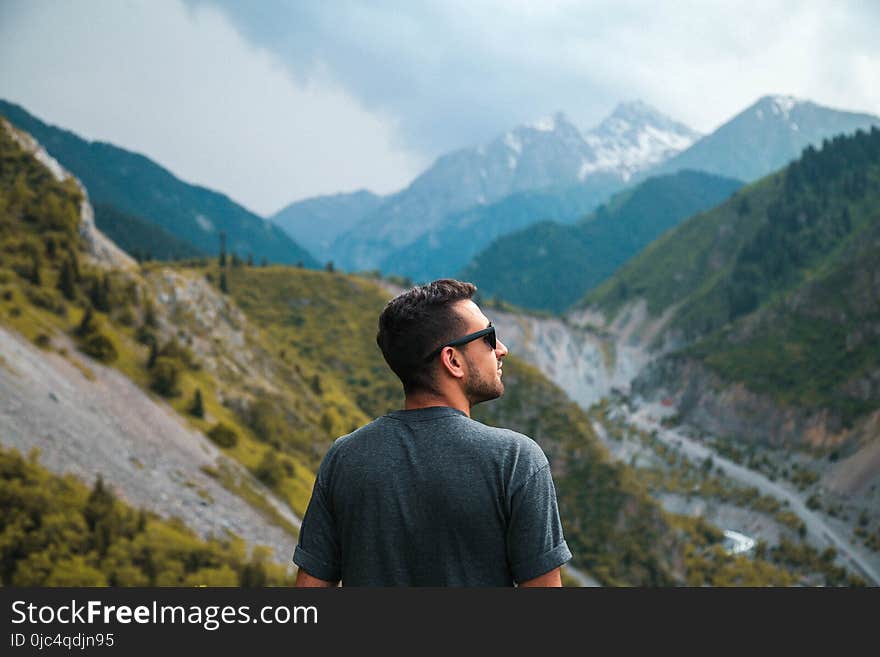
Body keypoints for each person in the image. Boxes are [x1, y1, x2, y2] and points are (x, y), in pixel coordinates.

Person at [292, 278, 571, 586]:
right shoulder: (515, 459)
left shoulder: (344, 458)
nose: (501, 349)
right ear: (452, 360)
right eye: (489, 337)